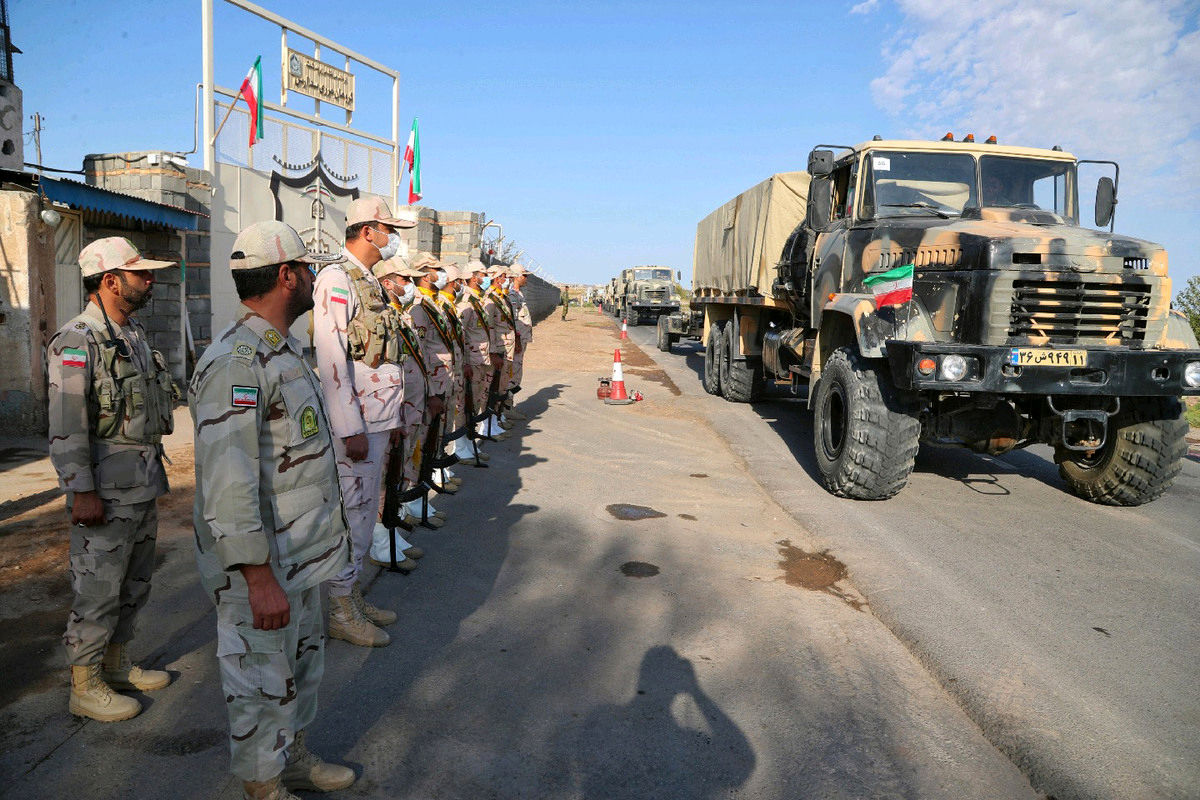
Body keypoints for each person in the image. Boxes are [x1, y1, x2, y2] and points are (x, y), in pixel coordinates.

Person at [190, 220, 355, 800]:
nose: (315, 278)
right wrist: (257, 578)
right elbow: (227, 484)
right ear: (287, 276)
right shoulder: (236, 362)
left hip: (301, 556)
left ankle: (293, 759)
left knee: (301, 670)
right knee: (261, 683)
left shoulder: (282, 350)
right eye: (308, 268)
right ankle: (263, 787)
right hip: (262, 566)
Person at [47, 236, 177, 723]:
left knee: (134, 581)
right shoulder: (77, 340)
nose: (150, 280)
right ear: (110, 280)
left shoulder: (133, 334)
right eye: (141, 273)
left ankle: (117, 664)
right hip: (103, 488)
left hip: (141, 482)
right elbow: (67, 421)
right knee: (97, 587)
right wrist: (81, 490)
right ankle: (85, 683)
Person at [312, 196, 415, 647]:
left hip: (377, 420)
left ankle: (350, 595)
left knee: (363, 513)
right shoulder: (337, 280)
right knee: (352, 515)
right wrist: (348, 426)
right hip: (357, 427)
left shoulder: (367, 281)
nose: (393, 238)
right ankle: (339, 608)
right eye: (388, 230)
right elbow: (332, 356)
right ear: (368, 230)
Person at [406, 255, 457, 524]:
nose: (442, 273)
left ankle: (422, 495)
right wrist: (433, 393)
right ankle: (414, 499)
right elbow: (422, 354)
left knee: (433, 441)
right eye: (437, 270)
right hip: (430, 388)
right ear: (426, 274)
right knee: (420, 446)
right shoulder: (419, 308)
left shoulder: (434, 304)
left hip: (443, 381)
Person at [456, 260, 496, 461]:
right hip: (471, 360)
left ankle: (469, 445)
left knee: (476, 401)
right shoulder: (465, 302)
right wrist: (464, 363)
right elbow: (459, 335)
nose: (486, 278)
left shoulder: (477, 300)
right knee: (465, 405)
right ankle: (461, 446)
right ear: (473, 277)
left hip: (480, 358)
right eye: (483, 274)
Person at [506, 265, 533, 422]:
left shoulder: (518, 294)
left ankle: (508, 406)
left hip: (520, 339)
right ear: (516, 276)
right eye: (524, 275)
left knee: (516, 373)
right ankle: (506, 408)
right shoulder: (511, 295)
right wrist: (516, 340)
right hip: (515, 341)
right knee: (512, 374)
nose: (526, 278)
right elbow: (512, 320)